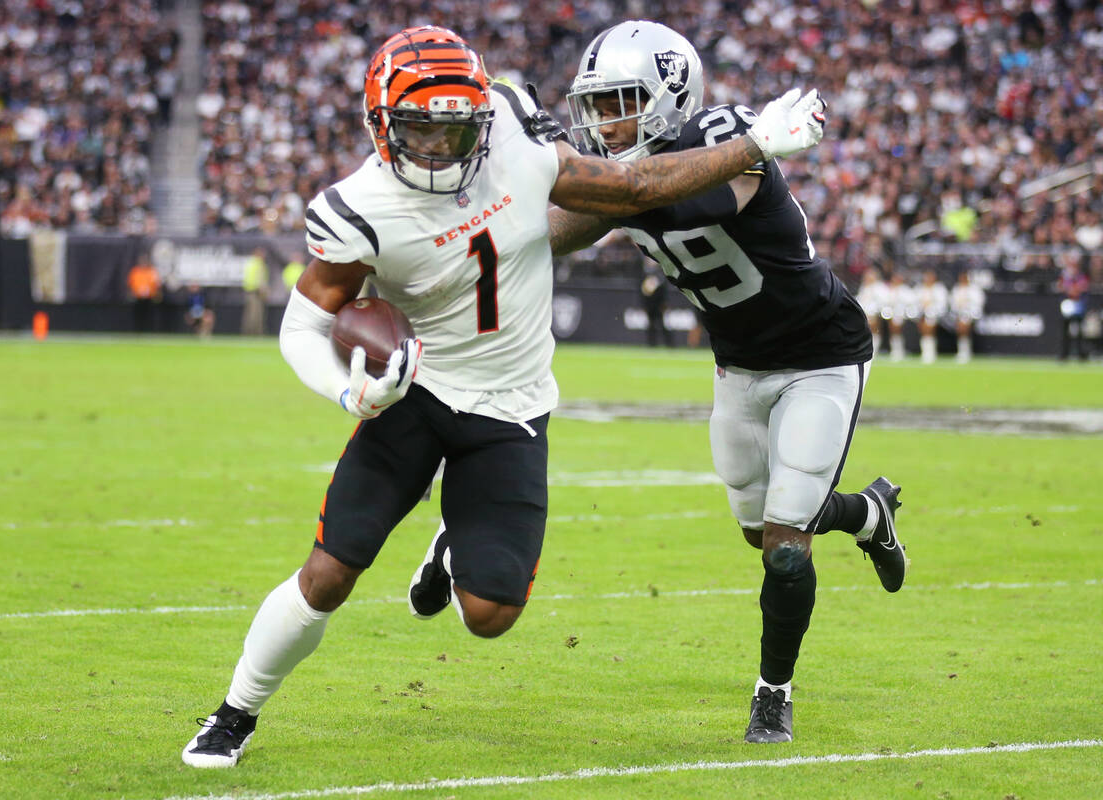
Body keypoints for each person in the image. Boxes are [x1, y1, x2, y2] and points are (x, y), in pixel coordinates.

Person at [182, 24, 827, 768]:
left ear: (484, 114)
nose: (439, 144)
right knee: (329, 571)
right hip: (415, 394)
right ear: (382, 125)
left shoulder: (518, 127)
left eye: (457, 126)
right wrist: (348, 391)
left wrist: (752, 149)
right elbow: (304, 323)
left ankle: (453, 543)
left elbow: (628, 190)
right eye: (421, 127)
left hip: (512, 407)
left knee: (489, 616)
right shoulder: (357, 206)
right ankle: (234, 713)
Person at [546, 20, 908, 745]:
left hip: (819, 354)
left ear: (670, 96)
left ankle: (773, 693)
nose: (605, 123)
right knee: (759, 531)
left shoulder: (730, 136)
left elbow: (698, 197)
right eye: (598, 105)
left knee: (784, 543)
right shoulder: (630, 176)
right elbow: (557, 231)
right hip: (738, 366)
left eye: (620, 102)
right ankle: (869, 516)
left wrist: (599, 185)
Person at [1056, 250, 1089, 361]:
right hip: (1067, 305)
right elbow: (1060, 286)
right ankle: (1064, 354)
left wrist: (1074, 290)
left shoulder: (1081, 275)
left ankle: (1081, 354)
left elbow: (1083, 287)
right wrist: (1070, 290)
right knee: (1065, 331)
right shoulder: (1065, 275)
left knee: (1079, 331)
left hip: (1079, 304)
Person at [948, 270, 985, 363]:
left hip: (971, 314)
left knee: (963, 326)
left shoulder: (974, 289)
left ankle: (965, 352)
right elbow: (952, 304)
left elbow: (978, 304)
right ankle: (962, 351)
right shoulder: (956, 289)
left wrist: (966, 307)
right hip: (957, 314)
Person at [915, 269, 949, 364]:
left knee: (929, 328)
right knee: (924, 330)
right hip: (922, 314)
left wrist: (931, 309)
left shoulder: (939, 288)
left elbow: (942, 305)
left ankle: (930, 353)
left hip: (934, 313)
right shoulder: (920, 288)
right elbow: (915, 302)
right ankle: (926, 352)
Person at [855, 267, 890, 357]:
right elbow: (860, 300)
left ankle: (874, 350)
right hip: (863, 313)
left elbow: (885, 300)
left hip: (874, 313)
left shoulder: (879, 287)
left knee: (873, 329)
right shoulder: (864, 287)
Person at [126, 252, 162, 333]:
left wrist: (157, 294)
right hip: (138, 297)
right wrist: (131, 293)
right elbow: (130, 284)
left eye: (145, 261)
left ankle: (149, 332)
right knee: (138, 316)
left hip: (149, 298)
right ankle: (137, 332)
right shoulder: (135, 271)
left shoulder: (152, 271)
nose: (144, 263)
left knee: (149, 316)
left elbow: (156, 284)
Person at [639, 262, 672, 346]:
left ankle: (669, 344)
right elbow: (643, 293)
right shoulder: (645, 276)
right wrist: (644, 305)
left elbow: (663, 292)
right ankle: (652, 344)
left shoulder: (659, 276)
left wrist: (664, 303)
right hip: (650, 305)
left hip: (658, 305)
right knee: (651, 325)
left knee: (662, 325)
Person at [240, 246, 269, 335]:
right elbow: (260, 279)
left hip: (249, 291)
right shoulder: (259, 264)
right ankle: (255, 333)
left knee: (249, 314)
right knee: (256, 315)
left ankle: (247, 332)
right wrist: (263, 290)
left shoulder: (249, 262)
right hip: (256, 292)